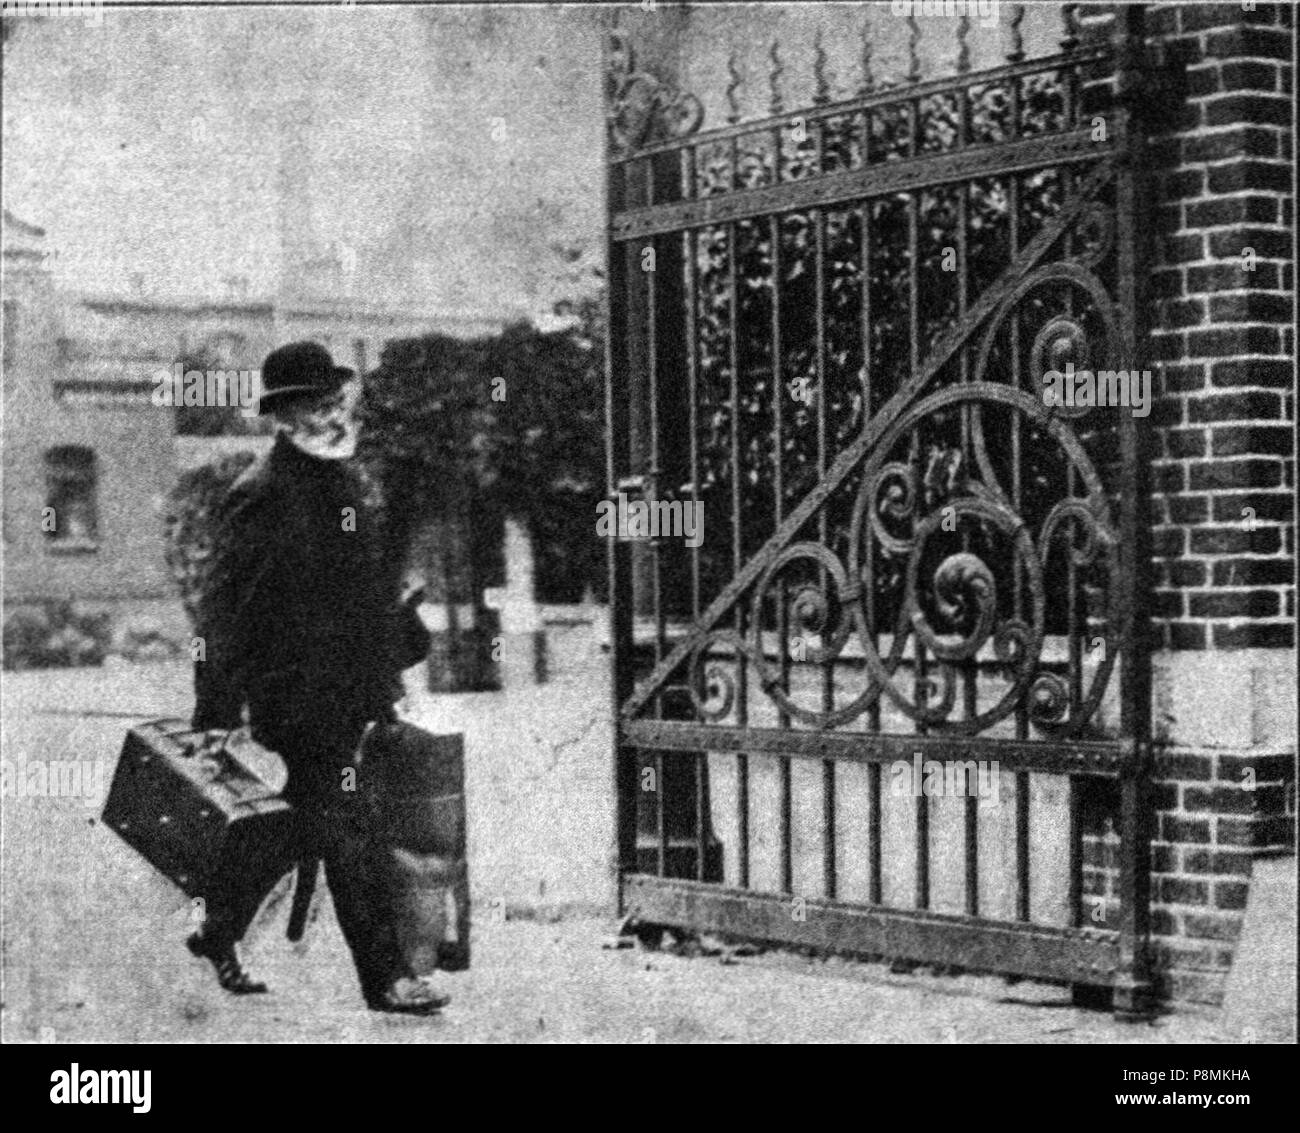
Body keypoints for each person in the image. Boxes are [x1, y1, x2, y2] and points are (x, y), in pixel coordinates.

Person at [186, 340, 447, 1015]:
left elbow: (356, 595)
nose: (332, 414)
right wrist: (215, 711)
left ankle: (218, 925)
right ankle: (387, 977)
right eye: (314, 404)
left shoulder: (343, 483)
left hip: (350, 687)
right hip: (296, 696)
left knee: (306, 819)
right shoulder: (260, 495)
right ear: (284, 415)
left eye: (336, 400)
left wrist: (397, 638)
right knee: (348, 822)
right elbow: (226, 612)